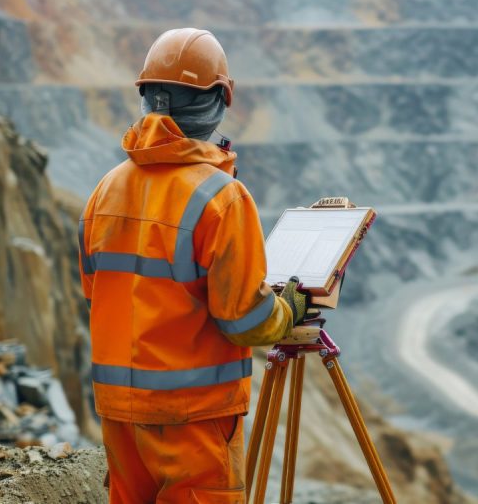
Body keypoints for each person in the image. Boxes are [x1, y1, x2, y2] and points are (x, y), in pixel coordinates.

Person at [78, 28, 308, 503]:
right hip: (192, 416)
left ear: (147, 98)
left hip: (119, 413)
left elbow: (95, 292)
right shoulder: (221, 196)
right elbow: (245, 318)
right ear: (221, 98)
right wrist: (289, 309)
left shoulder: (106, 189)